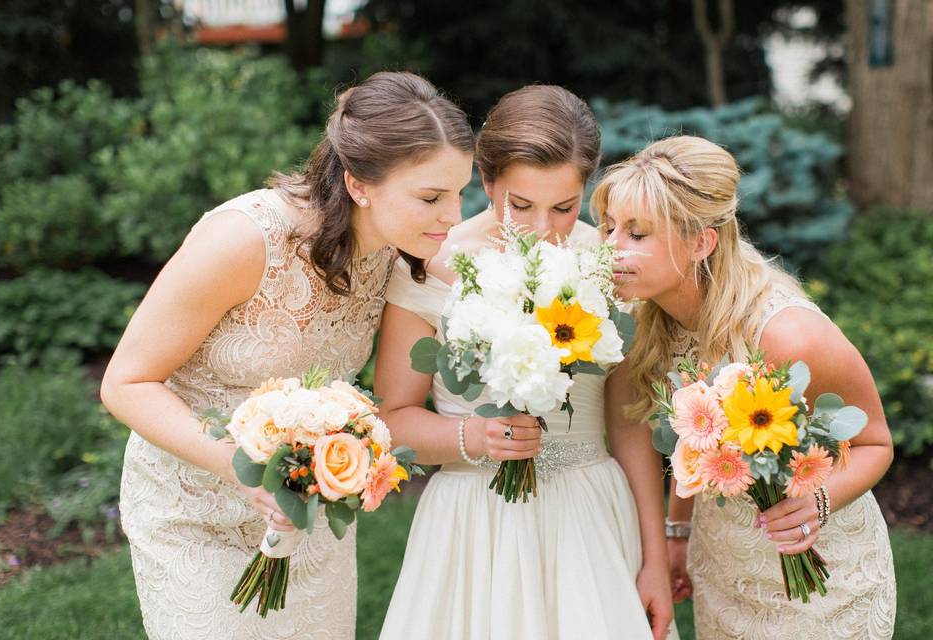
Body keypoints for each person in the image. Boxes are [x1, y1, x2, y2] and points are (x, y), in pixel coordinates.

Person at [100, 71, 474, 639]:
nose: (453, 216)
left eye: (460, 192)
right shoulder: (244, 240)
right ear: (359, 185)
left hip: (305, 510)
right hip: (192, 511)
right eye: (431, 197)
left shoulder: (402, 249)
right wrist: (240, 469)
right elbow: (124, 383)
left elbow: (492, 284)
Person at [375, 85, 676, 640]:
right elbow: (392, 417)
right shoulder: (430, 268)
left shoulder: (609, 268)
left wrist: (655, 558)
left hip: (589, 515)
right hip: (473, 520)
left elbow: (630, 420)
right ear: (486, 183)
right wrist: (475, 437)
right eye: (520, 205)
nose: (542, 228)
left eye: (563, 207)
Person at [595, 135, 896, 639]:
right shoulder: (644, 319)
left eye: (637, 234)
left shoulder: (786, 334)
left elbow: (875, 442)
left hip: (821, 579)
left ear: (701, 243)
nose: (611, 249)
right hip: (724, 571)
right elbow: (693, 445)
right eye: (609, 228)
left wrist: (815, 505)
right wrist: (677, 532)